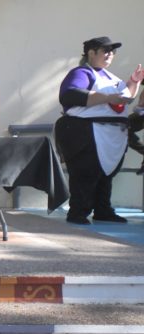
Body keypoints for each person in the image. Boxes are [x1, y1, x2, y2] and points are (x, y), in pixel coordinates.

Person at [54, 36, 144, 224]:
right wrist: (107, 98)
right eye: (106, 50)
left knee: (106, 175)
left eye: (113, 51)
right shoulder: (81, 73)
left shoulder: (113, 78)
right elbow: (70, 94)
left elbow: (124, 98)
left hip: (111, 134)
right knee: (85, 174)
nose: (110, 54)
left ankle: (103, 209)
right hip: (88, 132)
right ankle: (78, 211)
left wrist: (133, 82)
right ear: (91, 53)